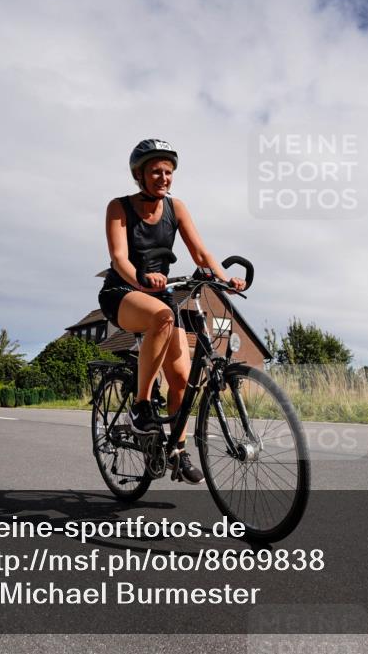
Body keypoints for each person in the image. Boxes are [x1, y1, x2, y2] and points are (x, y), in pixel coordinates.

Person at [98, 138, 246, 484]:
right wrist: (140, 277)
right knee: (162, 317)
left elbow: (201, 253)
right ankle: (141, 405)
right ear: (139, 175)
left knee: (182, 378)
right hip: (123, 291)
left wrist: (225, 279)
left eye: (168, 172)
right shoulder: (119, 207)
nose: (163, 177)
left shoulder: (176, 208)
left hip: (159, 296)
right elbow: (119, 257)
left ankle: (176, 452)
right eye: (155, 171)